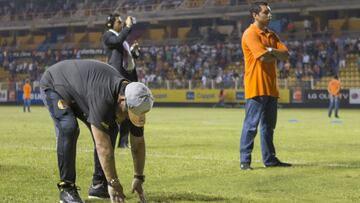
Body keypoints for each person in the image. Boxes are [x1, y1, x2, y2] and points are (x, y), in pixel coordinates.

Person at [40, 59, 153, 203]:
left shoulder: (135, 100)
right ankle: (66, 189)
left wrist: (138, 177)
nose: (127, 117)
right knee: (69, 127)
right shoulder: (104, 97)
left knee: (111, 128)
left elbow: (138, 143)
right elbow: (103, 147)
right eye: (127, 112)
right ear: (121, 100)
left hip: (82, 91)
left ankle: (99, 186)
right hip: (55, 84)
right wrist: (113, 182)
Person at [239, 2, 291, 170]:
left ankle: (270, 160)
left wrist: (270, 50)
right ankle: (245, 161)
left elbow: (286, 54)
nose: (269, 15)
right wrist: (273, 52)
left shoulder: (271, 34)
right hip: (256, 86)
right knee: (251, 126)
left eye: (269, 12)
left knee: (269, 127)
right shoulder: (250, 33)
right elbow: (262, 58)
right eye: (265, 12)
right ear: (255, 15)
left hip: (271, 87)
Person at [102, 13, 141, 149]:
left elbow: (127, 58)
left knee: (127, 109)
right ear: (111, 24)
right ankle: (109, 138)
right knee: (118, 109)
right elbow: (117, 42)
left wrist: (133, 51)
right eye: (119, 22)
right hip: (117, 77)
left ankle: (123, 142)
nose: (122, 23)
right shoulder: (108, 35)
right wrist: (129, 27)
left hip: (127, 76)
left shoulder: (121, 39)